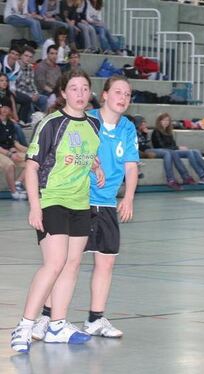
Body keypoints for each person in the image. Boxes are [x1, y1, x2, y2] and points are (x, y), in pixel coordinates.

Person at [32, 75, 139, 341]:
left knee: (106, 262)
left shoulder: (127, 127)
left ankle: (95, 318)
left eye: (127, 94)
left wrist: (128, 197)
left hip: (106, 202)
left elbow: (131, 164)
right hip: (79, 199)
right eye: (117, 92)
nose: (122, 98)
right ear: (103, 95)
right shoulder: (86, 119)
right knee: (65, 262)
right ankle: (46, 316)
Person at [10, 70, 103, 353]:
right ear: (63, 93)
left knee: (72, 264)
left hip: (80, 203)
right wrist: (35, 207)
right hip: (52, 200)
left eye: (84, 88)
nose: (79, 93)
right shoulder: (52, 123)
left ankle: (57, 325)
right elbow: (33, 166)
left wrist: (95, 166)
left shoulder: (93, 125)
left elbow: (86, 154)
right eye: (73, 88)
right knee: (53, 263)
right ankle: (25, 325)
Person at [151, 112, 204, 186]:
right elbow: (162, 147)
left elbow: (173, 144)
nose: (166, 122)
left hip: (173, 151)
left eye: (167, 120)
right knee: (190, 152)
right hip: (165, 152)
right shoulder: (156, 131)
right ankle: (202, 176)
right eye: (164, 120)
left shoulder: (168, 131)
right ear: (159, 121)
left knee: (196, 151)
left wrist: (178, 148)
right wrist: (178, 148)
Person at [0, 98, 27, 200]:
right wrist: (10, 154)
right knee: (10, 165)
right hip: (2, 152)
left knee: (31, 159)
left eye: (7, 107)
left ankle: (19, 182)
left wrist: (14, 150)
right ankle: (14, 192)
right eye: (2, 107)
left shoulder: (11, 124)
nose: (5, 109)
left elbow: (13, 143)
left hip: (8, 151)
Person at [14, 47, 49, 124]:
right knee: (29, 101)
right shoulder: (16, 66)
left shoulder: (30, 67)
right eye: (26, 56)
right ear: (21, 56)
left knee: (44, 98)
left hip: (29, 93)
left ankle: (43, 121)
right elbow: (15, 87)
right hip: (18, 93)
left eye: (30, 57)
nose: (28, 58)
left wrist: (35, 93)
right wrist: (30, 95)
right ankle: (30, 122)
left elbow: (32, 83)